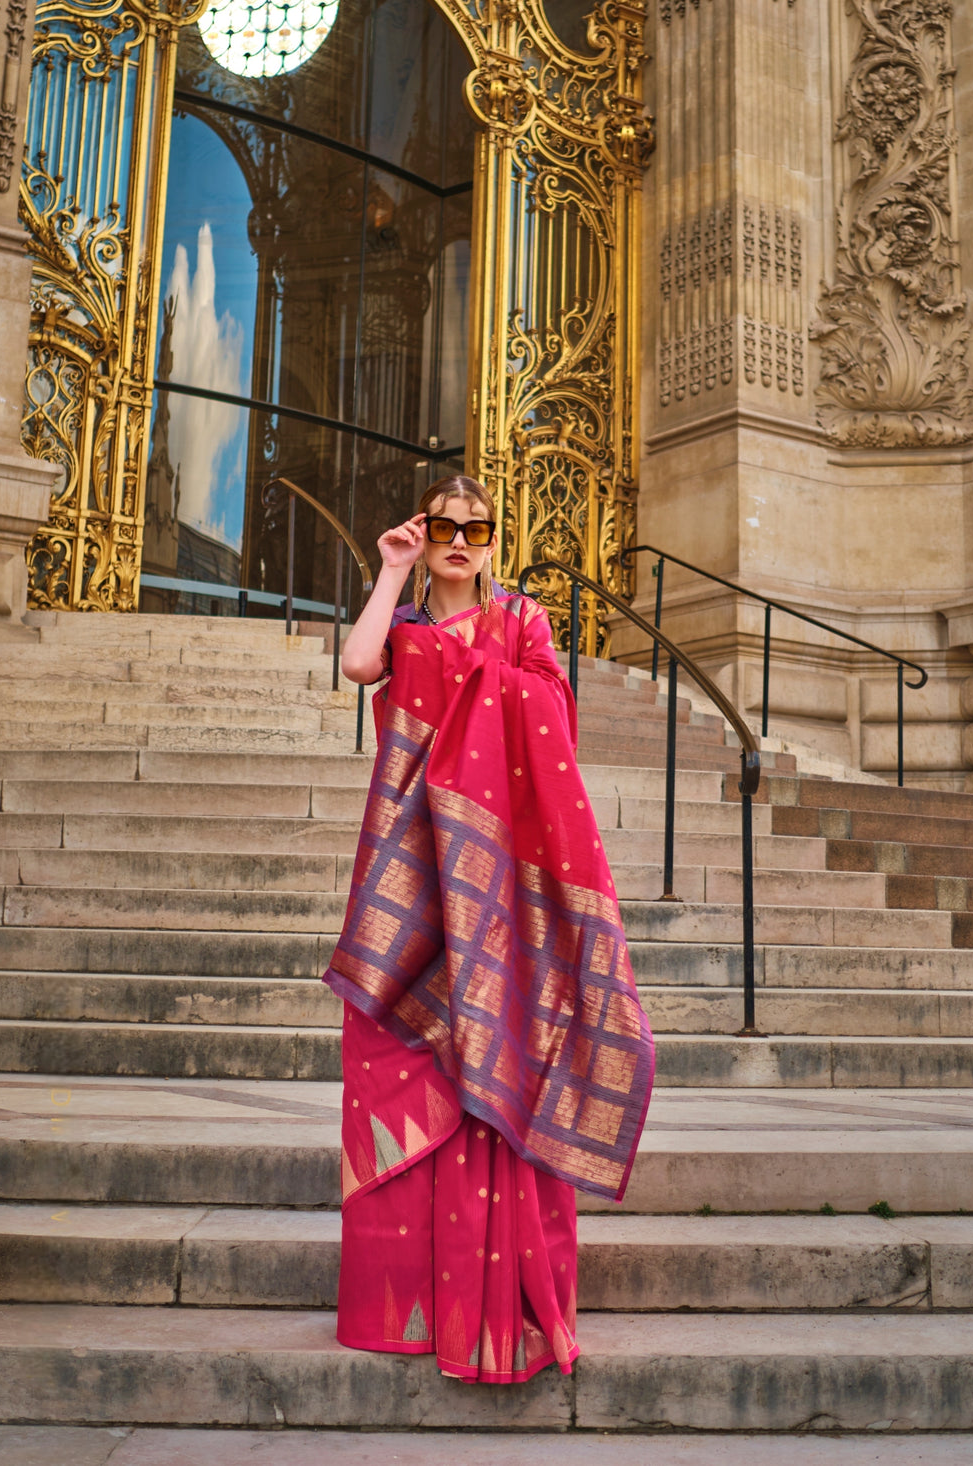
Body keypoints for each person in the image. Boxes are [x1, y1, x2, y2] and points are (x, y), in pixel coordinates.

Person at [324, 473, 655, 1384]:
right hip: (412, 867)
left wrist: (479, 678)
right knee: (402, 1054)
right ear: (421, 534)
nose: (459, 540)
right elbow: (358, 667)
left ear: (496, 539)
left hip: (498, 877)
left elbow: (551, 713)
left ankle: (494, 1308)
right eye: (442, 527)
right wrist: (389, 573)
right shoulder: (411, 628)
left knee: (497, 1050)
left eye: (476, 528)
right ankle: (410, 1308)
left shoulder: (524, 623)